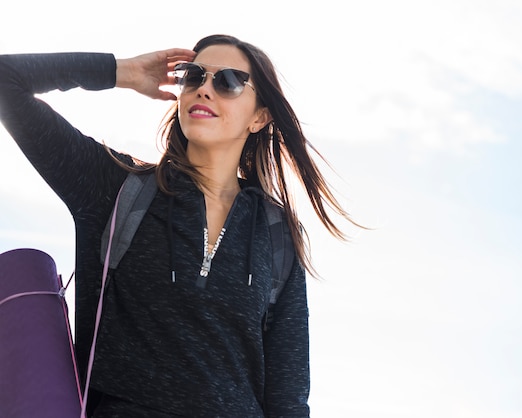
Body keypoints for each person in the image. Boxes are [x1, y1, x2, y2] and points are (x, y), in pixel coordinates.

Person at [0, 34, 359, 417]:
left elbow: (287, 399)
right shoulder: (113, 188)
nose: (205, 89)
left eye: (230, 81)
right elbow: (7, 78)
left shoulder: (277, 234)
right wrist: (123, 71)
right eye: (194, 76)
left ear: (260, 116)